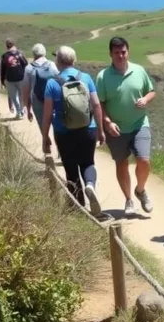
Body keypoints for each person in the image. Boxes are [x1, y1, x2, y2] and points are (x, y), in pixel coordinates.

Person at [40, 46, 106, 215]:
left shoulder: (52, 83)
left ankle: (78, 208)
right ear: (74, 60)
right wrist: (100, 129)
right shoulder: (86, 78)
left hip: (63, 132)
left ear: (58, 62)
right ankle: (90, 185)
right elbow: (96, 105)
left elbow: (47, 114)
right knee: (88, 162)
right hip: (87, 128)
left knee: (70, 168)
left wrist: (45, 136)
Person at [96, 37, 155, 217]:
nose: (120, 56)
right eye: (116, 53)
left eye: (123, 52)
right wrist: (107, 122)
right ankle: (129, 199)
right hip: (116, 128)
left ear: (128, 52)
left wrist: (145, 99)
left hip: (139, 124)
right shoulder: (103, 77)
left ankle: (140, 190)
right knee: (121, 163)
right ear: (110, 54)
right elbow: (100, 104)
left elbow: (151, 91)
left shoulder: (139, 71)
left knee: (144, 160)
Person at [22, 43, 59, 131]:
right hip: (53, 98)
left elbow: (25, 90)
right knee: (56, 123)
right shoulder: (52, 65)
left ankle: (45, 139)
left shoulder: (28, 68)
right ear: (45, 53)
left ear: (33, 54)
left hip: (37, 100)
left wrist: (27, 107)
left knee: (42, 124)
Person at [0, 39, 28, 119]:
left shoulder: (6, 55)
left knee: (14, 96)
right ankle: (20, 111)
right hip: (18, 78)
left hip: (13, 79)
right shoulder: (19, 54)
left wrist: (2, 81)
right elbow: (26, 64)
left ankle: (20, 111)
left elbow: (3, 69)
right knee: (19, 96)